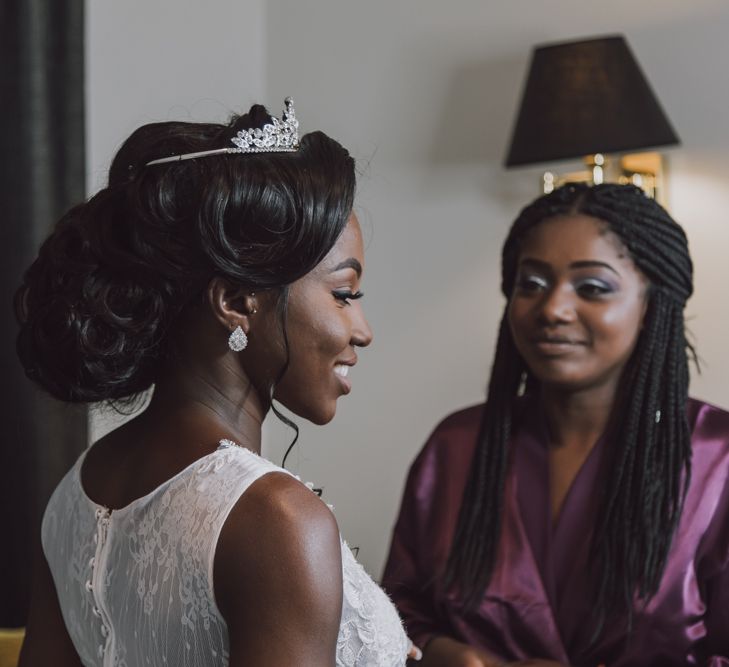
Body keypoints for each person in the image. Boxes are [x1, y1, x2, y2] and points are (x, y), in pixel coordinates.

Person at [16, 98, 415, 667]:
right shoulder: (276, 518)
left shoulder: (76, 493)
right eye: (343, 295)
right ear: (236, 302)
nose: (362, 330)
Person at [382, 183, 729, 667]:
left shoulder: (719, 459)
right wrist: (451, 656)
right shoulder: (456, 447)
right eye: (532, 284)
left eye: (592, 288)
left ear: (652, 306)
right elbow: (394, 618)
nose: (552, 310)